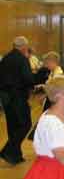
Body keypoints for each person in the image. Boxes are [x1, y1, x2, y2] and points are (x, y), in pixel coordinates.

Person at [0, 36, 35, 165]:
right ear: (24, 47)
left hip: (5, 97)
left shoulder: (5, 58)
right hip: (18, 96)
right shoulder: (22, 59)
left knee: (12, 127)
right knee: (25, 125)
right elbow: (28, 79)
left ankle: (16, 155)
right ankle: (7, 151)